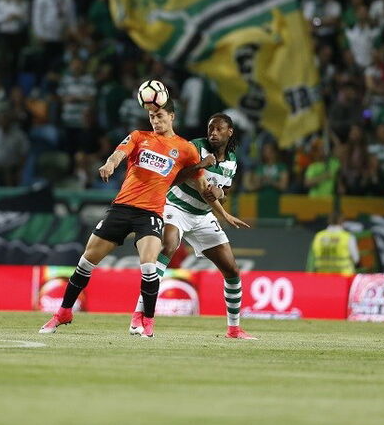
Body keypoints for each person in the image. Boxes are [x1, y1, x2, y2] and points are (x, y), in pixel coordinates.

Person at [38, 100, 247, 338]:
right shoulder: (143, 137)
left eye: (160, 116)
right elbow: (120, 154)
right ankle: (63, 312)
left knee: (157, 266)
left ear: (172, 117)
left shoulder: (189, 149)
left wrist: (223, 211)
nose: (156, 121)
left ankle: (149, 321)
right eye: (152, 117)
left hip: (157, 213)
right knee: (86, 263)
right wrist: (110, 163)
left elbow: (204, 187)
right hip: (142, 208)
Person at [128, 113, 256, 339]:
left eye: (218, 129)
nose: (213, 133)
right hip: (175, 207)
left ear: (230, 132)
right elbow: (173, 177)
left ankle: (234, 329)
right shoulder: (195, 147)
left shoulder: (232, 160)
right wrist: (200, 165)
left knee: (232, 270)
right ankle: (139, 316)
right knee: (168, 247)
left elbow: (224, 192)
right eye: (210, 128)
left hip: (203, 216)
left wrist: (220, 193)